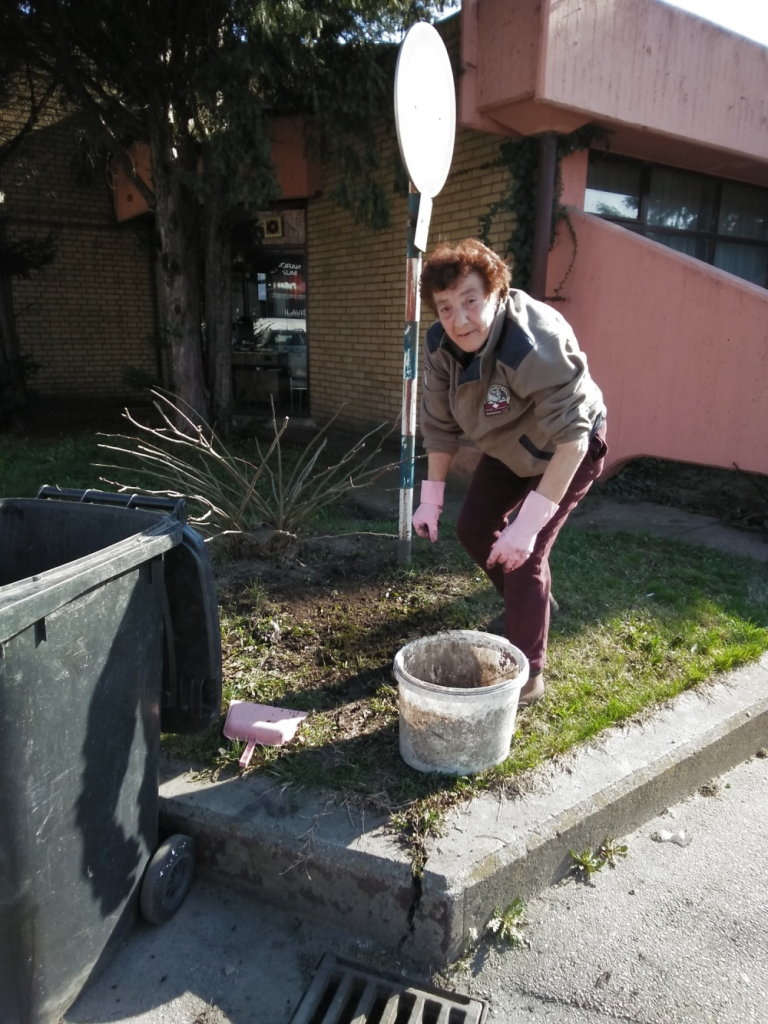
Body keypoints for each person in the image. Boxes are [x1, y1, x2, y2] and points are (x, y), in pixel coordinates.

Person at [412, 238, 607, 706]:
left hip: (568, 448)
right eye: (445, 307)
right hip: (509, 444)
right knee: (473, 529)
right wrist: (431, 498)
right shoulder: (440, 344)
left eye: (470, 301)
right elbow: (438, 425)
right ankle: (532, 605)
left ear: (496, 293)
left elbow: (573, 439)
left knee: (525, 554)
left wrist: (527, 525)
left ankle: (530, 675)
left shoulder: (532, 343)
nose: (459, 319)